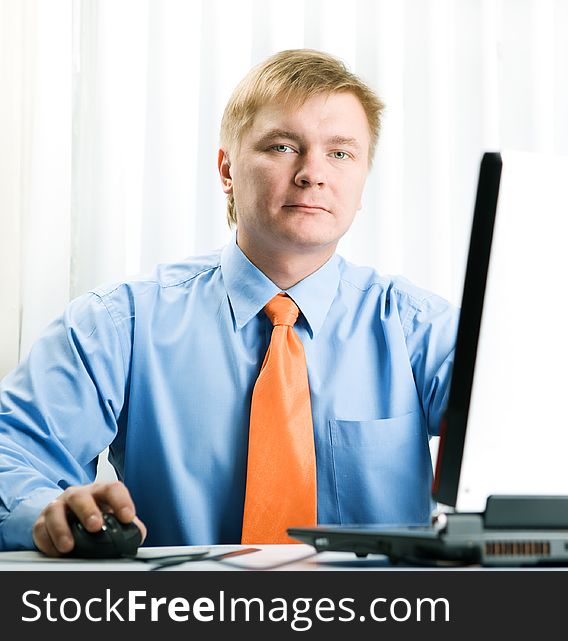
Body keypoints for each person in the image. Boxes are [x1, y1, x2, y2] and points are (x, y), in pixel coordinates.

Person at [0, 49, 458, 555]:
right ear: (226, 171)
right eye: (283, 147)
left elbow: (514, 441)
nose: (312, 173)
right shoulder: (117, 324)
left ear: (363, 178)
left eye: (341, 153)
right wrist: (48, 512)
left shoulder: (422, 331)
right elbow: (13, 457)